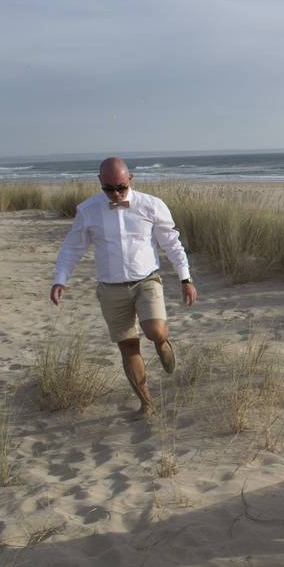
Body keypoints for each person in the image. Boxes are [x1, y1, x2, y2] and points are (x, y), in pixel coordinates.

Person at [50, 157, 197, 415]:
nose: (116, 193)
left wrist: (185, 278)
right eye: (109, 188)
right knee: (128, 346)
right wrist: (60, 279)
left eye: (121, 187)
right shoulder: (88, 210)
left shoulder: (152, 205)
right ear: (99, 182)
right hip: (110, 288)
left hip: (146, 280)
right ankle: (147, 403)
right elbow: (72, 248)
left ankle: (162, 343)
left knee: (154, 331)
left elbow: (172, 243)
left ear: (130, 179)